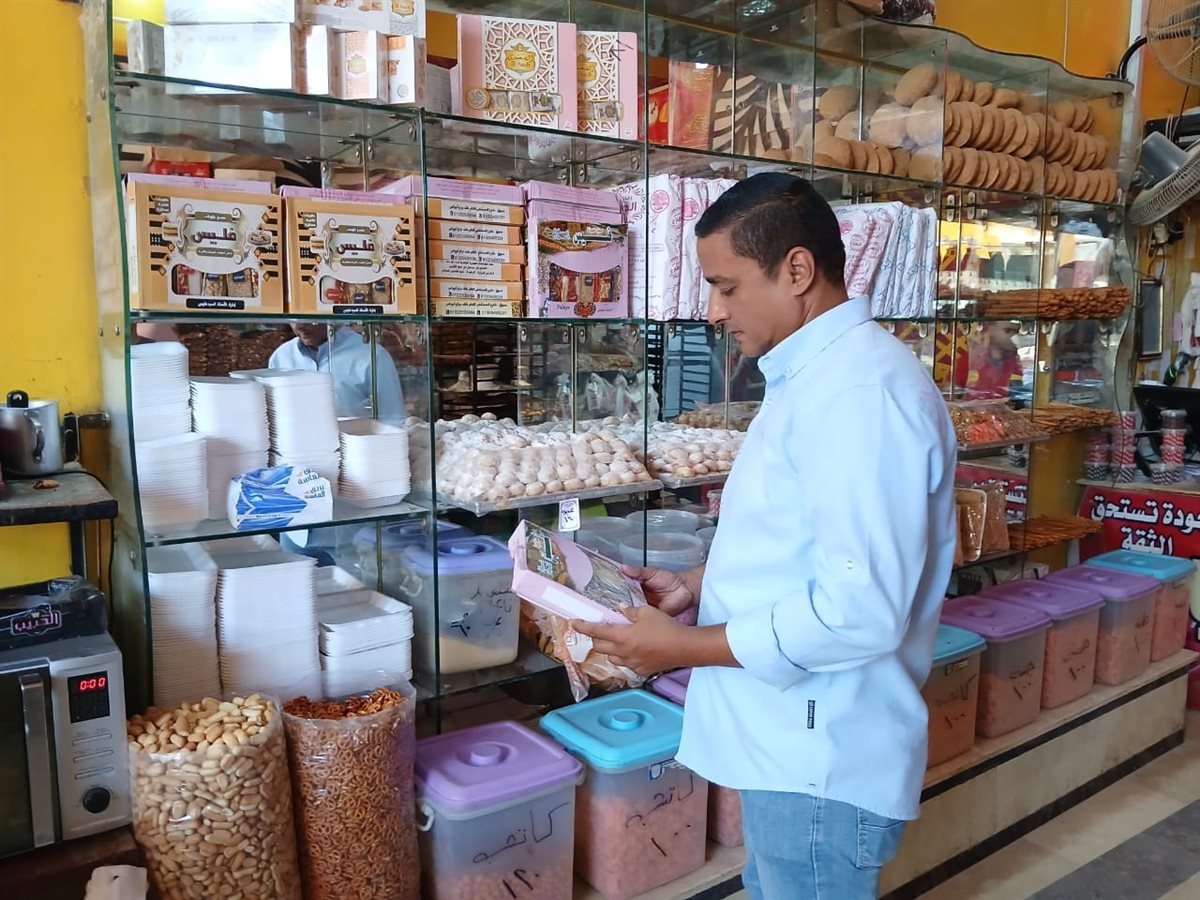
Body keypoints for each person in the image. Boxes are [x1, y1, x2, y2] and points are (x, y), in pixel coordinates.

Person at [572, 173, 958, 900]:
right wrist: (697, 586)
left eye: (727, 286)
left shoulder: (858, 395)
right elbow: (804, 541)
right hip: (794, 744)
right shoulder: (817, 377)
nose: (713, 311)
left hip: (819, 755)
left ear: (798, 270)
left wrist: (680, 648)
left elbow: (859, 610)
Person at [269, 323, 406, 421]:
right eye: (293, 319)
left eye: (306, 318)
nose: (299, 326)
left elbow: (392, 418)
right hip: (294, 450)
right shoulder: (281, 357)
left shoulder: (372, 355)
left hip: (356, 449)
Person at [956, 321, 1023, 400]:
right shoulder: (970, 359)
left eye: (1017, 332)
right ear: (990, 329)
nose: (1014, 337)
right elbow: (951, 395)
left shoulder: (1018, 361)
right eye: (1008, 331)